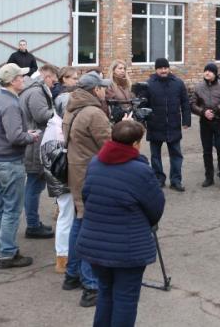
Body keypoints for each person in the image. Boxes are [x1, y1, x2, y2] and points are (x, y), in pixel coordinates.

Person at [78, 119, 165, 327]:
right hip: (128, 248)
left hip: (94, 244)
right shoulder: (140, 171)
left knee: (106, 292)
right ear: (135, 143)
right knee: (125, 299)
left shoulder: (95, 163)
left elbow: (87, 196)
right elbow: (156, 207)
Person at [62, 71, 113, 308]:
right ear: (95, 90)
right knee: (90, 229)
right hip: (90, 173)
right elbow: (110, 145)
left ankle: (72, 274)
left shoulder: (71, 108)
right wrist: (128, 128)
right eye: (102, 87)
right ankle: (91, 285)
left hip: (77, 170)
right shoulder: (93, 113)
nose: (105, 90)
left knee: (79, 222)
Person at [0, 63, 40, 268]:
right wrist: (31, 136)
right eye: (20, 77)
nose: (23, 80)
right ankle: (7, 254)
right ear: (13, 80)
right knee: (11, 210)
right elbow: (15, 136)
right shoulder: (10, 104)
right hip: (10, 162)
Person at [19, 63, 58, 239]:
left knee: (35, 185)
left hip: (35, 142)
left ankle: (34, 223)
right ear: (46, 76)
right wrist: (58, 112)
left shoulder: (34, 90)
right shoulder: (36, 92)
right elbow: (41, 115)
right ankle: (33, 225)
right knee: (34, 185)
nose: (54, 84)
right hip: (35, 144)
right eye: (53, 81)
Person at [145, 58, 190, 192]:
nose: (163, 70)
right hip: (155, 125)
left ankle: (176, 181)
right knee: (155, 156)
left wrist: (186, 120)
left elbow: (185, 103)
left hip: (173, 125)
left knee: (176, 154)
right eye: (160, 68)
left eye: (166, 67)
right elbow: (144, 105)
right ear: (156, 69)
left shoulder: (178, 83)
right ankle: (159, 179)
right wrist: (144, 121)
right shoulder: (149, 84)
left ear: (169, 68)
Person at [40, 93, 74, 274]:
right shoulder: (56, 130)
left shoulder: (57, 125)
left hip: (63, 181)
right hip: (63, 182)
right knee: (66, 218)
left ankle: (67, 254)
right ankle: (63, 257)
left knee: (68, 217)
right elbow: (56, 163)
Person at [191, 63, 220, 191]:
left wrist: (216, 109)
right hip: (205, 123)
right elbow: (192, 104)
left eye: (210, 71)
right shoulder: (199, 87)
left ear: (215, 73)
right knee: (206, 151)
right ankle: (209, 177)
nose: (207, 73)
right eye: (206, 71)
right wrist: (203, 112)